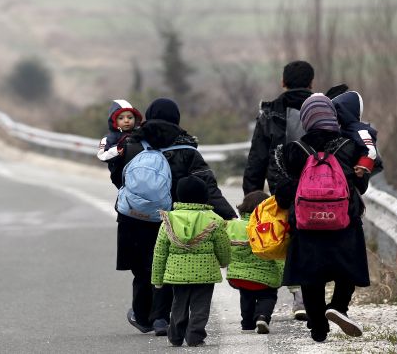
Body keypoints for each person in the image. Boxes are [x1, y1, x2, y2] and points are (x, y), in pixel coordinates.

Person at [114, 98, 236, 336]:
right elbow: (208, 187)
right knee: (167, 265)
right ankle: (161, 317)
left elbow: (119, 180)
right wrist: (229, 215)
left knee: (142, 270)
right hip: (171, 218)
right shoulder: (186, 149)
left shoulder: (132, 143)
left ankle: (143, 316)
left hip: (133, 217)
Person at [274, 93, 370, 343]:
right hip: (343, 221)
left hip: (307, 225)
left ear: (306, 119)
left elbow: (283, 193)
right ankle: (338, 306)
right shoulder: (349, 146)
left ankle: (318, 326)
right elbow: (362, 185)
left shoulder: (294, 150)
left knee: (310, 275)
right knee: (347, 266)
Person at [242, 60, 314, 320]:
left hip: (281, 187)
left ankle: (297, 295)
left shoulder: (270, 113)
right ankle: (306, 296)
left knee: (286, 236)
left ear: (283, 82)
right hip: (318, 186)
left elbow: (257, 158)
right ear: (311, 83)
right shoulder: (322, 109)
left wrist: (252, 196)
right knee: (312, 238)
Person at [151, 176, 231, 347]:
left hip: (177, 273)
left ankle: (175, 336)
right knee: (200, 306)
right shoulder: (214, 219)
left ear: (178, 196)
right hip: (205, 273)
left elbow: (159, 252)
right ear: (204, 196)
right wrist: (224, 262)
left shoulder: (169, 220)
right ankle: (195, 335)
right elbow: (223, 246)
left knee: (178, 304)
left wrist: (157, 280)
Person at [226, 190, 284, 334]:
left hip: (240, 277)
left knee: (246, 296)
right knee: (268, 295)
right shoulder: (271, 227)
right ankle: (262, 316)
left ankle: (247, 324)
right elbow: (278, 256)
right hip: (266, 278)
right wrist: (285, 275)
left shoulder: (233, 226)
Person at [331, 90, 383, 177]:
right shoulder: (342, 128)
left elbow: (370, 149)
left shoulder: (359, 129)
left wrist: (363, 165)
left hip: (356, 173)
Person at [96, 99, 143, 188]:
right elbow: (101, 155)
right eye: (121, 118)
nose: (126, 121)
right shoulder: (109, 138)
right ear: (114, 121)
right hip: (121, 177)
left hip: (139, 176)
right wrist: (117, 150)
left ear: (135, 118)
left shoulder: (140, 134)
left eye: (130, 117)